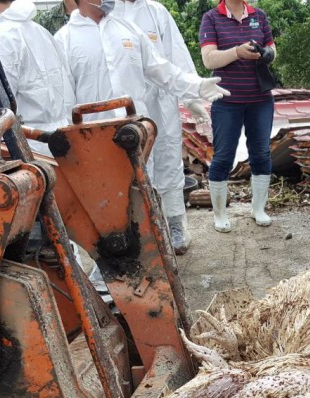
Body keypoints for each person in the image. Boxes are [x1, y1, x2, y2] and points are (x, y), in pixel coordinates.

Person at [56, 0, 225, 244]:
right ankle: (110, 258)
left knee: (147, 190)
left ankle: (156, 244)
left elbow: (163, 69)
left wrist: (195, 88)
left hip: (137, 133)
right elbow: (63, 98)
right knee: (105, 200)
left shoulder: (128, 29)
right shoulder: (64, 40)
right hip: (94, 137)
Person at [116, 0, 201, 254]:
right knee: (130, 169)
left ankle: (175, 225)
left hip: (161, 102)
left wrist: (192, 98)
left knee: (167, 161)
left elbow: (177, 55)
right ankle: (139, 232)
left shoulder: (156, 12)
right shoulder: (108, 13)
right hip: (127, 103)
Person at [199, 0, 276, 233]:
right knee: (223, 157)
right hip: (226, 100)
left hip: (260, 99)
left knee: (261, 154)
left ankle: (259, 210)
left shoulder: (259, 15)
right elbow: (209, 59)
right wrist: (236, 52)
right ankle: (220, 214)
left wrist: (264, 53)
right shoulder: (211, 17)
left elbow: (273, 51)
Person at [0, 0, 76, 156]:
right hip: (58, 142)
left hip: (25, 147)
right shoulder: (41, 32)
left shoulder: (1, 37)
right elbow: (68, 92)